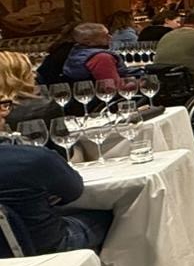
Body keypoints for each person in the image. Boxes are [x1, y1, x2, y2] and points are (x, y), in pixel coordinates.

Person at [0, 98, 112, 252]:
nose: (5, 111)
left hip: (6, 259)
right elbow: (74, 192)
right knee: (118, 214)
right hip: (49, 245)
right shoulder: (34, 158)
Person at [0, 50, 63, 127]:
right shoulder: (43, 107)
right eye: (29, 71)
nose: (34, 75)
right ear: (15, 78)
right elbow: (59, 137)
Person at [59, 22, 131, 85]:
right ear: (88, 41)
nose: (110, 37)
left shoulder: (77, 51)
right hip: (104, 96)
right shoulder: (101, 57)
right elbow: (113, 86)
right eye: (105, 35)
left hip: (85, 93)